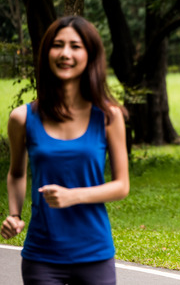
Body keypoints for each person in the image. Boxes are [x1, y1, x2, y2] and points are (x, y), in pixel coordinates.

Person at [0, 16, 129, 285]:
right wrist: (14, 214)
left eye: (75, 46)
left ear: (89, 54)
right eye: (58, 45)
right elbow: (16, 174)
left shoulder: (108, 116)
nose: (65, 53)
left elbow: (121, 186)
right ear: (47, 52)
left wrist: (73, 196)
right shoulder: (22, 118)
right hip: (42, 256)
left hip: (95, 252)